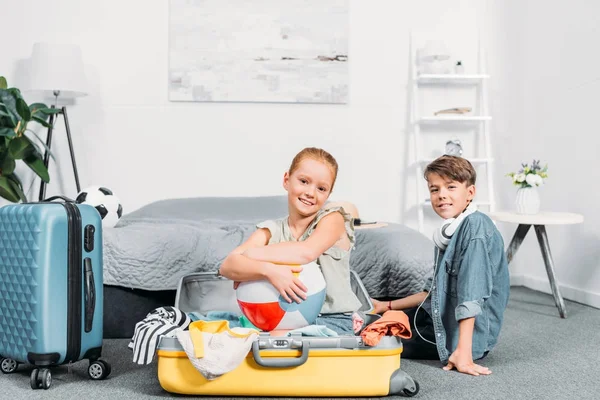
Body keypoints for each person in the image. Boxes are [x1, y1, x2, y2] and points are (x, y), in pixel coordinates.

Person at [371, 155, 509, 376]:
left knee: (375, 337)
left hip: (461, 338)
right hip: (439, 318)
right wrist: (385, 305)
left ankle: (462, 349)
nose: (441, 194)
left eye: (451, 187)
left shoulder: (475, 227)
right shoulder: (451, 231)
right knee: (379, 321)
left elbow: (471, 294)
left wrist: (463, 352)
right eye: (434, 189)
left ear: (470, 193)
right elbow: (432, 291)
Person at [219, 147, 362, 334]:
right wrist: (269, 270)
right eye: (303, 181)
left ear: (328, 194)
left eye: (321, 188)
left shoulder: (332, 218)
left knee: (275, 338)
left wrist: (249, 256)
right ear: (286, 180)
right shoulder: (271, 230)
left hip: (332, 319)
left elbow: (306, 252)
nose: (311, 192)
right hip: (283, 318)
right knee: (227, 326)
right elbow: (227, 266)